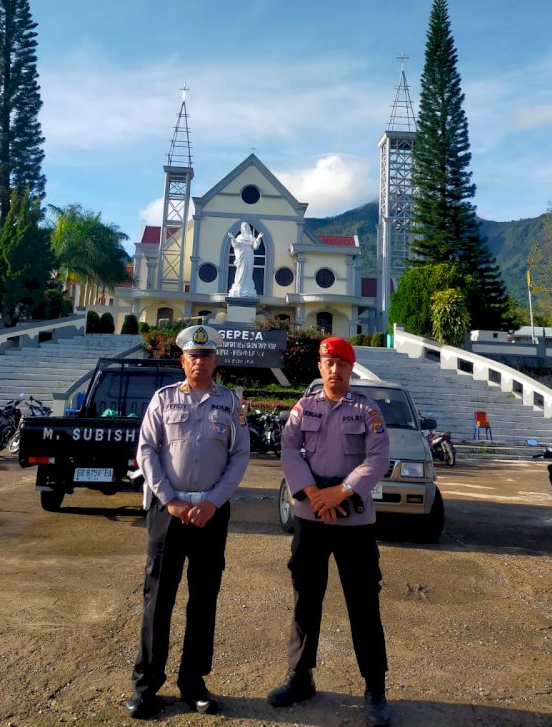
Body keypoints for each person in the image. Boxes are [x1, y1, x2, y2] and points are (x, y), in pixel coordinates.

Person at [126, 324, 250, 719]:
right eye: (193, 356)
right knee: (158, 598)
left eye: (206, 356)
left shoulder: (231, 404)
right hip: (169, 512)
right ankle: (145, 687)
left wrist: (213, 502)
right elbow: (147, 451)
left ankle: (192, 682)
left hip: (211, 514)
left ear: (216, 361)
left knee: (203, 599)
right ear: (183, 360)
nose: (199, 362)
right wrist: (170, 500)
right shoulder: (163, 401)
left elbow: (240, 457)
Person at [267, 336, 392, 727]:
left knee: (363, 604)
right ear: (319, 368)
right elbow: (289, 450)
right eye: (327, 363)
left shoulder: (367, 410)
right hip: (311, 517)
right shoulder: (304, 408)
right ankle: (300, 678)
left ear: (350, 369)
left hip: (354, 521)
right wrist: (312, 494)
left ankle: (375, 688)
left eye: (341, 364)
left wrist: (341, 490)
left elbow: (379, 457)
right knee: (306, 599)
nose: (334, 370)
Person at [227, 222, 262, 298]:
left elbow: (255, 246)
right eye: (243, 227)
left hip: (249, 256)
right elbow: (236, 245)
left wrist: (258, 238)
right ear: (242, 229)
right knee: (241, 270)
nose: (245, 228)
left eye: (246, 227)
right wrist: (233, 239)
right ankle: (239, 287)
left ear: (248, 228)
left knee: (248, 271)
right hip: (242, 257)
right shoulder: (239, 237)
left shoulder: (251, 237)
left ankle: (247, 287)